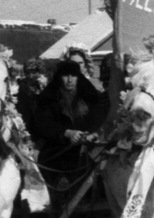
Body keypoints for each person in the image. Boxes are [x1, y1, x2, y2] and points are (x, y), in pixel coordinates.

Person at [30, 59, 109, 193]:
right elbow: (43, 124)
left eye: (73, 76)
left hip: (87, 146)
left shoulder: (90, 96)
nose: (69, 80)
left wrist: (91, 133)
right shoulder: (48, 98)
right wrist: (67, 133)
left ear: (79, 77)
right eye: (65, 75)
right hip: (57, 147)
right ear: (59, 78)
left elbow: (99, 118)